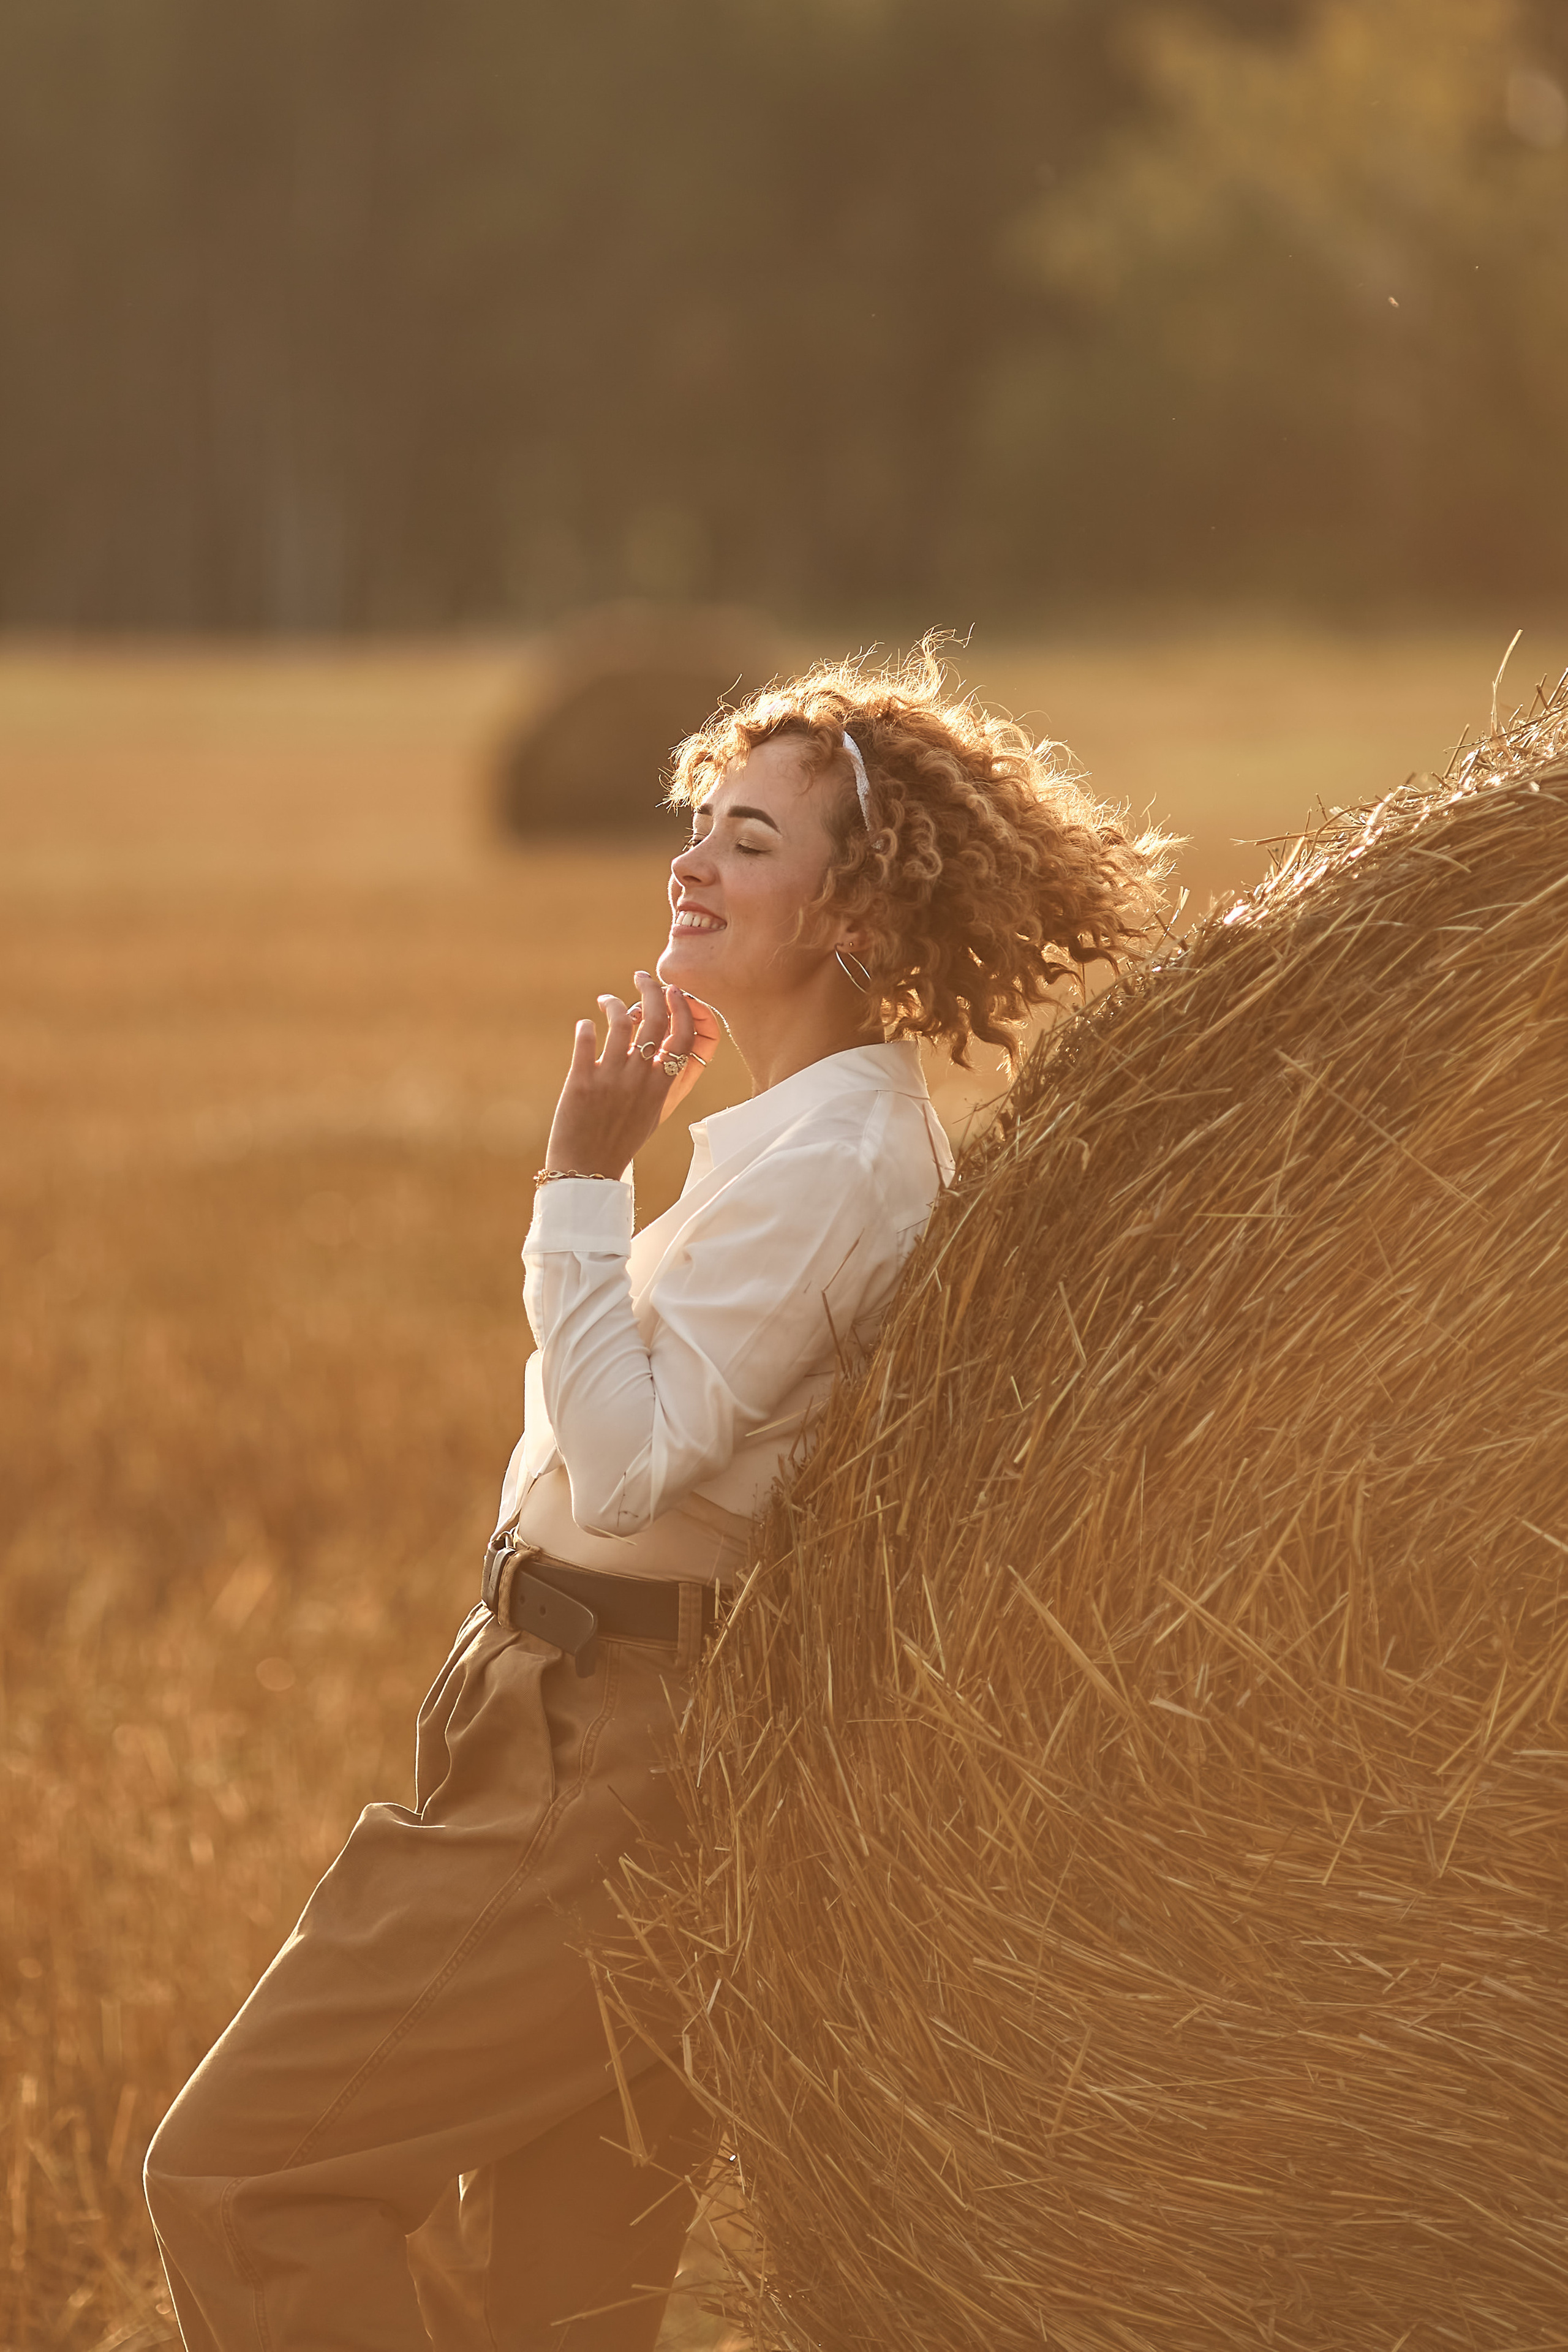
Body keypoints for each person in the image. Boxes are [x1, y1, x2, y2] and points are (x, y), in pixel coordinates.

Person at [144, 642, 1165, 2350]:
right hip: (585, 1729)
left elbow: (615, 1476)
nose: (690, 860)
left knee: (244, 2182)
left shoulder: (837, 1164)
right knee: (563, 2310)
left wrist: (576, 1175)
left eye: (750, 839)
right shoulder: (794, 1141)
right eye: (699, 820)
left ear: (862, 913)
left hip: (609, 1760)